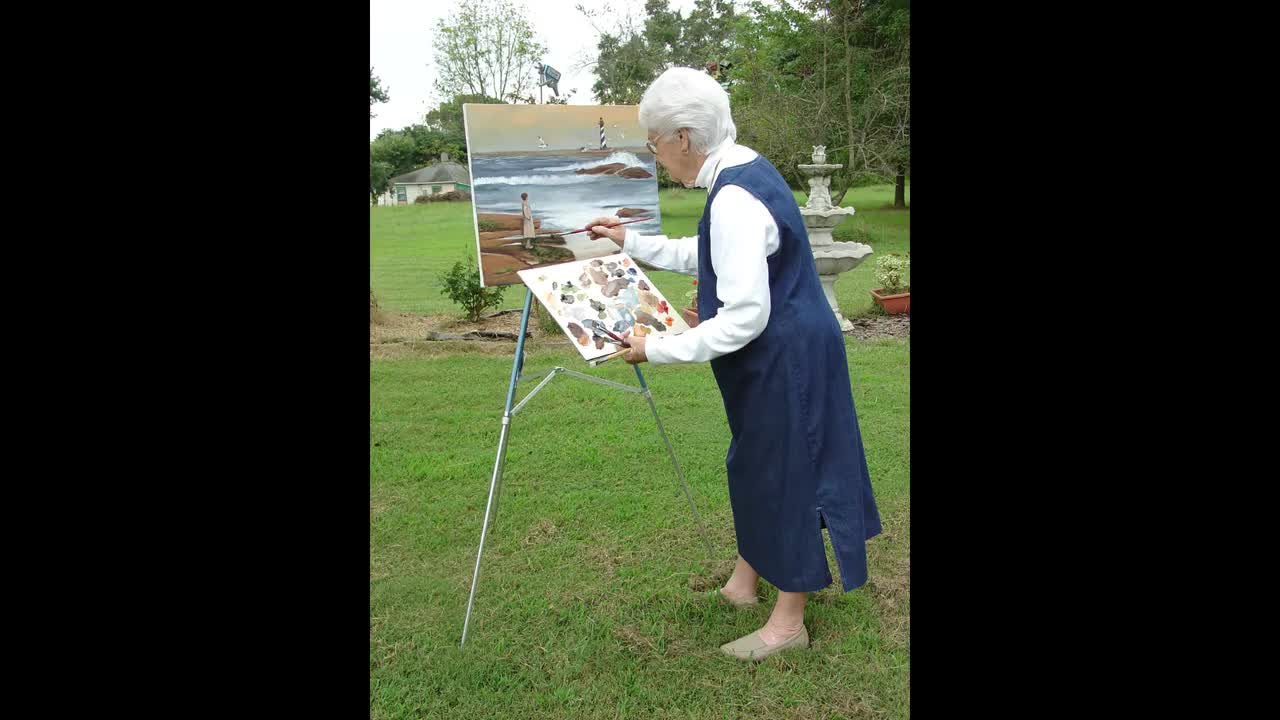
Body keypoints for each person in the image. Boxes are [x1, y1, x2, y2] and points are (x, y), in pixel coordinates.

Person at [587, 67, 882, 662]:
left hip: (785, 357)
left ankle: (788, 622)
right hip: (780, 351)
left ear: (686, 139)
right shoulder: (740, 170)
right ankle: (747, 581)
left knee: (786, 472)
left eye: (655, 143)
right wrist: (633, 242)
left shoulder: (735, 198)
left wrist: (657, 346)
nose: (656, 156)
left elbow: (745, 314)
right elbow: (714, 258)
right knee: (754, 463)